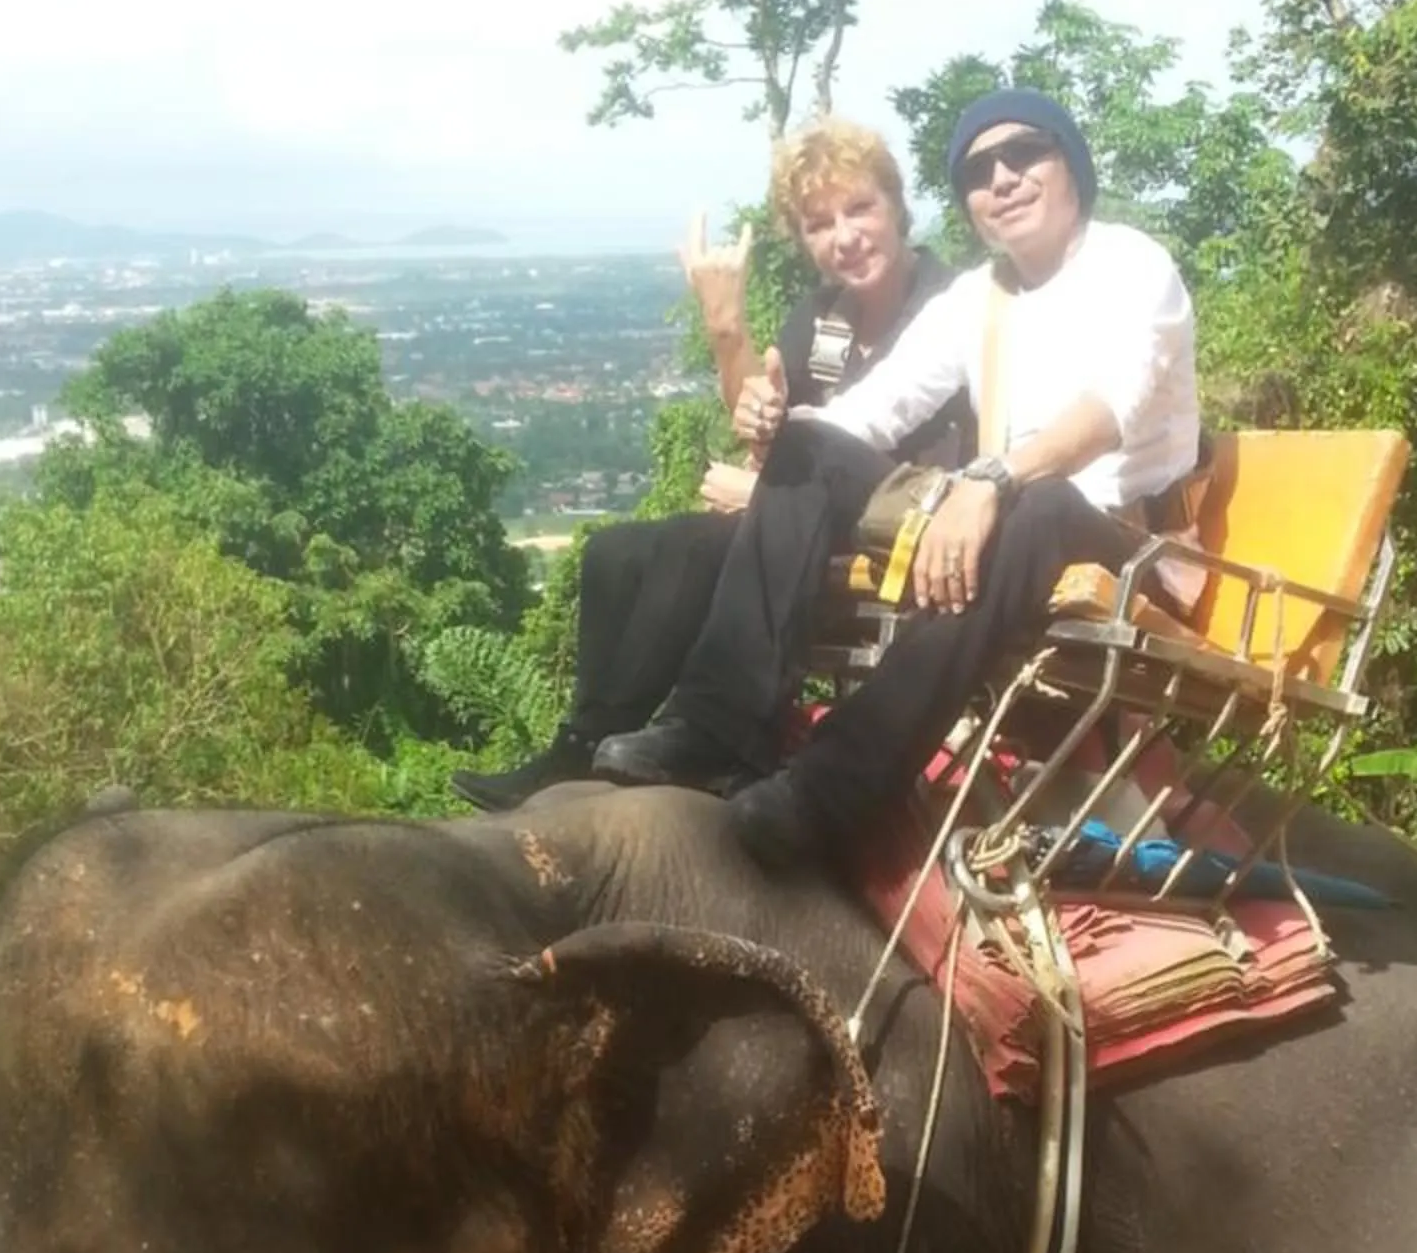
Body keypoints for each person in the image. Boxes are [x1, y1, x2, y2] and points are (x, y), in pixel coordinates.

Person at [591, 87, 1199, 869]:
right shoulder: (980, 298)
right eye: (978, 170)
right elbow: (868, 415)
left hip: (1119, 539)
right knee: (813, 445)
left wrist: (990, 481)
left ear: (1071, 166)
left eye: (1024, 154)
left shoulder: (1132, 265)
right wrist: (777, 426)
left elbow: (1110, 411)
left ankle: (834, 790)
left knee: (1042, 504)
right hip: (1009, 514)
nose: (1002, 178)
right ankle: (719, 725)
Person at [452, 121, 964, 810]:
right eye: (819, 224)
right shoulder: (824, 319)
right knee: (614, 552)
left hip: (903, 520)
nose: (845, 237)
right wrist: (728, 332)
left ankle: (686, 739)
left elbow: (890, 457)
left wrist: (766, 490)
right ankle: (582, 744)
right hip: (800, 512)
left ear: (897, 206)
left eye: (860, 209)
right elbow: (768, 421)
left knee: (695, 547)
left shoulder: (948, 305)